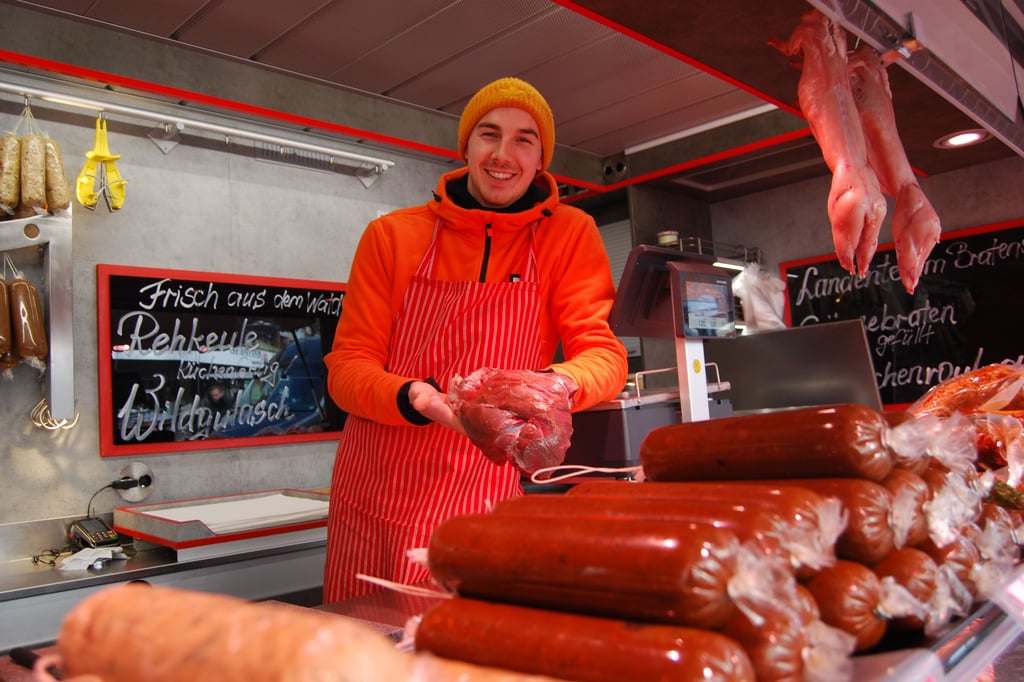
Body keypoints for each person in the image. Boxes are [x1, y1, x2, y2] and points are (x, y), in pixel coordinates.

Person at [322, 77, 629, 602]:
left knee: (459, 645)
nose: (503, 154)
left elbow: (603, 354)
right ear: (465, 146)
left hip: (481, 482)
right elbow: (348, 367)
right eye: (489, 134)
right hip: (376, 480)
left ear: (540, 160)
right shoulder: (393, 235)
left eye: (524, 139)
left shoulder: (568, 233)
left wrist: (552, 386)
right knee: (363, 645)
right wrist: (415, 396)